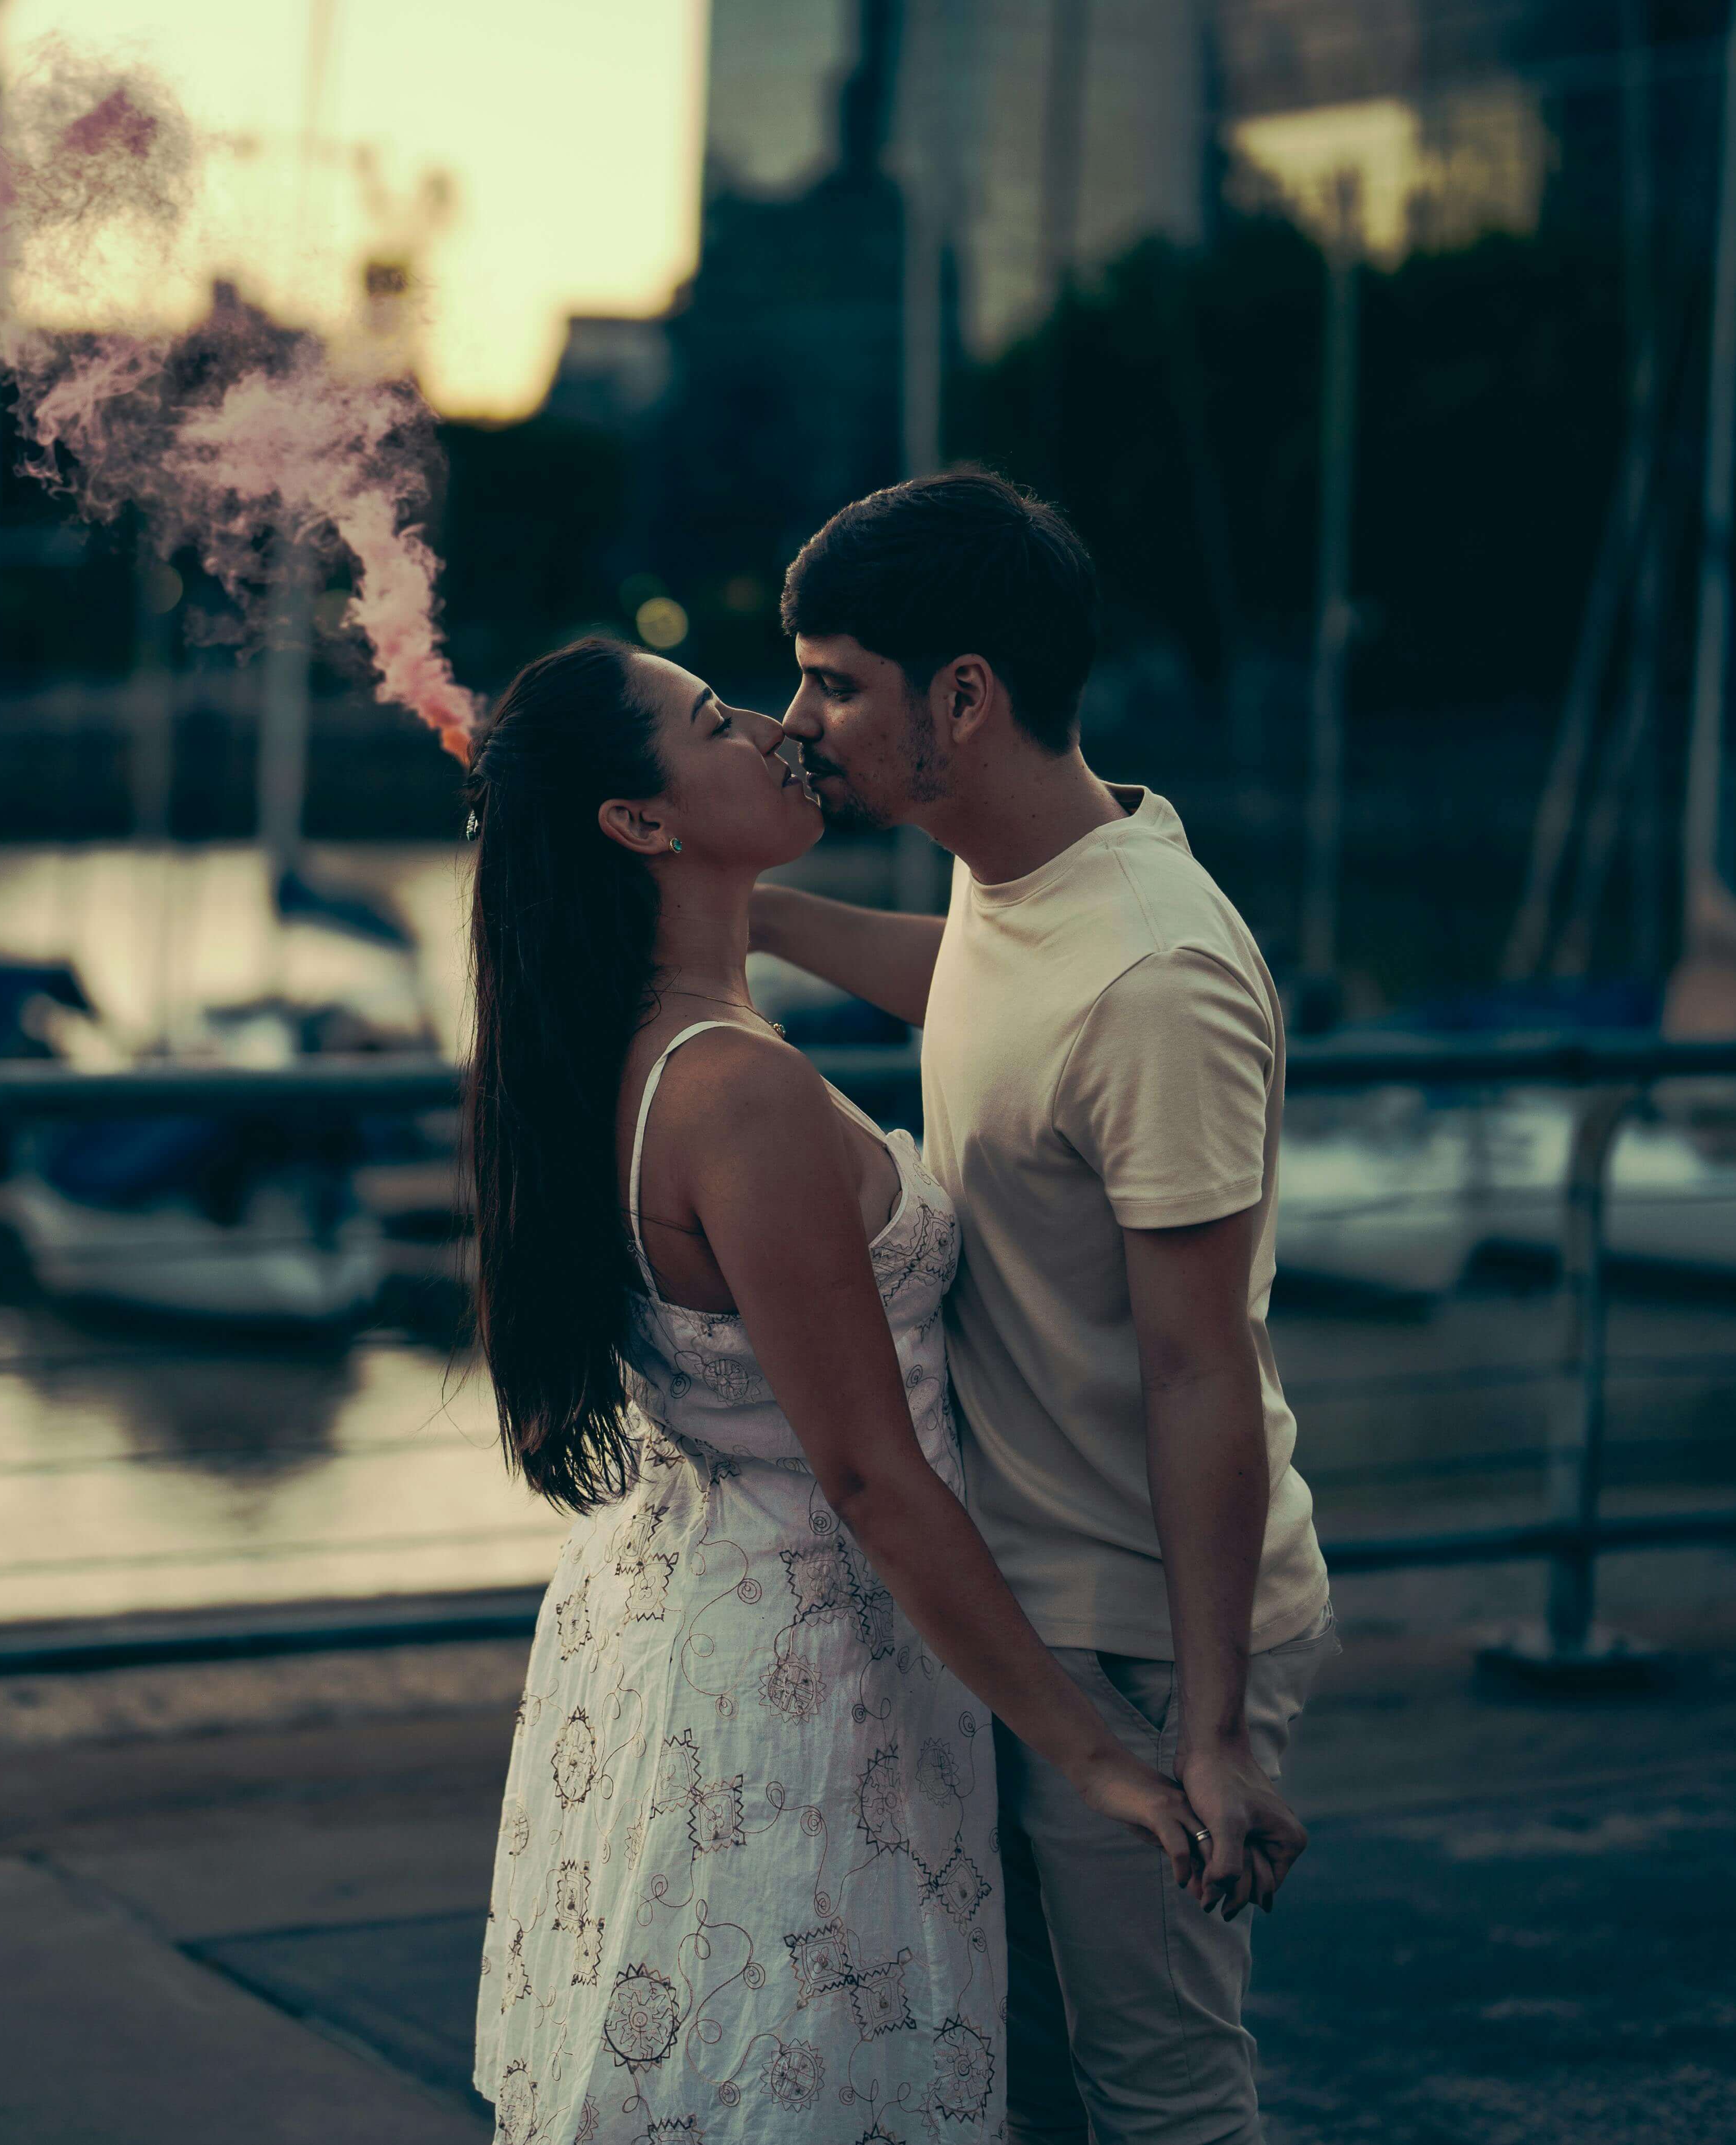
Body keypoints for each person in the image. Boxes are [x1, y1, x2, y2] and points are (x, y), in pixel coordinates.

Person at [465, 638, 1219, 2145]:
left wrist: (758, 900)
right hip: (819, 1681)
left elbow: (1016, 990)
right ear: (639, 821)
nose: (768, 728)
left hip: (697, 1630)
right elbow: (869, 1471)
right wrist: (1100, 1755)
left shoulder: (630, 1043)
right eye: (710, 720)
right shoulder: (734, 1092)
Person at [755, 467, 1337, 2145]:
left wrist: (1210, 1731)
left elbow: (1197, 1369)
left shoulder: (1154, 976)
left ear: (961, 698)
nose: (801, 722)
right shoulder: (1023, 881)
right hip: (1030, 1604)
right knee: (1018, 2091)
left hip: (1146, 1630)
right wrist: (757, 916)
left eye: (834, 680)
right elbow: (979, 997)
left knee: (1158, 2101)